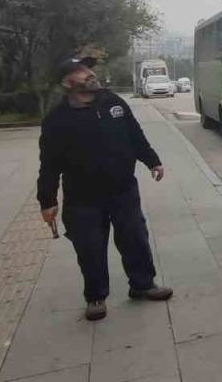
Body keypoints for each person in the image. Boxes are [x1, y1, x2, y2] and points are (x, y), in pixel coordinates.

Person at [37, 56, 173, 321]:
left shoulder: (113, 102)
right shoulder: (57, 119)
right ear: (67, 83)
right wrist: (47, 201)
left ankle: (143, 285)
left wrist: (152, 161)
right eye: (80, 72)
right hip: (82, 197)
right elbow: (49, 164)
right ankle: (96, 296)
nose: (89, 74)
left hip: (123, 189)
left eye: (88, 69)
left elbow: (134, 134)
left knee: (135, 236)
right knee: (90, 247)